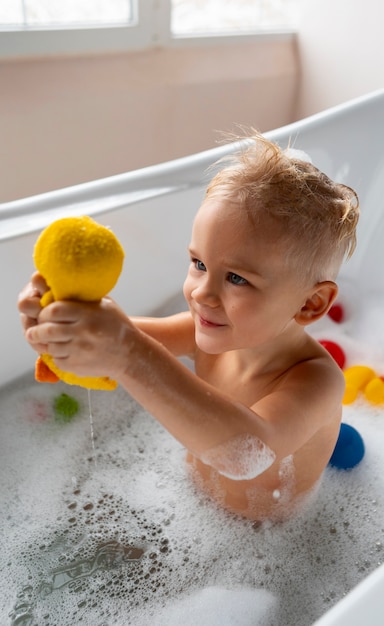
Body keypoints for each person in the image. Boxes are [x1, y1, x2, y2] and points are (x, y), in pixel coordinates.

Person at [18, 132, 359, 521]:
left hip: (264, 543)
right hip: (191, 512)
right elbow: (107, 337)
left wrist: (128, 353)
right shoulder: (209, 331)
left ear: (310, 304)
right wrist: (55, 315)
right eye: (199, 264)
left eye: (236, 279)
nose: (202, 294)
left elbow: (246, 453)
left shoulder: (316, 382)